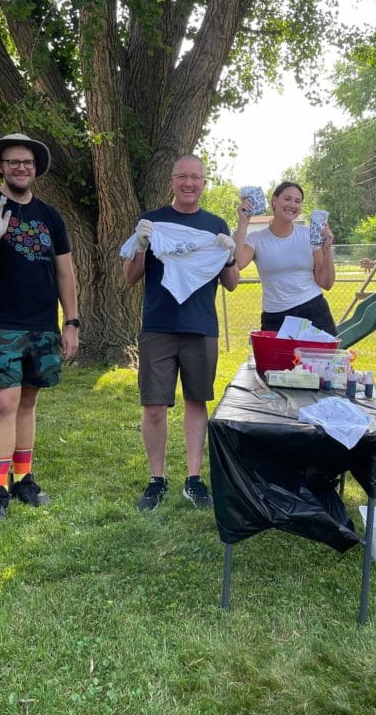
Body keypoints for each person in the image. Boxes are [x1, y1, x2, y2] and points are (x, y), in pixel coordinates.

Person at [0, 133, 79, 524]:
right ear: (0, 167)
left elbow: (65, 272)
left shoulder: (50, 217)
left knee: (27, 402)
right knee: (3, 404)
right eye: (12, 162)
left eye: (27, 162)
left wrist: (71, 321)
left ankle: (23, 479)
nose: (21, 167)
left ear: (35, 169)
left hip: (42, 323)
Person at [123, 154, 239, 510]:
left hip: (201, 326)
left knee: (196, 402)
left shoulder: (215, 224)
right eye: (182, 177)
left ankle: (193, 478)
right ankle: (156, 480)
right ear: (172, 181)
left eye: (196, 178)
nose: (189, 183)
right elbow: (129, 278)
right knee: (154, 406)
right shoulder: (153, 221)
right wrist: (141, 246)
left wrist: (230, 255)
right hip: (158, 325)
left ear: (204, 183)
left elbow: (231, 284)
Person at [232, 182, 337, 335]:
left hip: (313, 311)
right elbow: (239, 262)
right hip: (275, 317)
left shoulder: (309, 234)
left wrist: (327, 251)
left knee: (322, 359)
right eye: (287, 199)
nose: (292, 205)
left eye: (297, 201)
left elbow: (326, 283)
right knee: (275, 360)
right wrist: (243, 222)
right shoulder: (256, 239)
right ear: (274, 200)